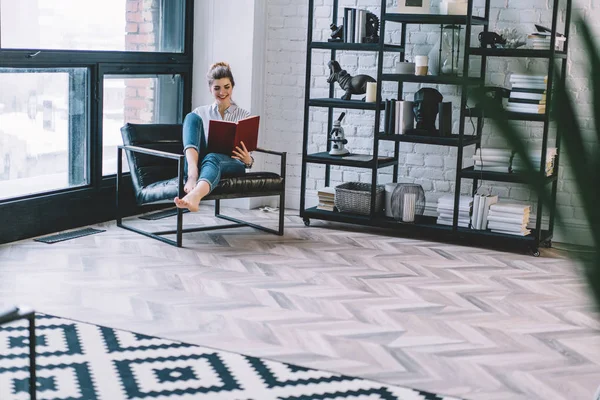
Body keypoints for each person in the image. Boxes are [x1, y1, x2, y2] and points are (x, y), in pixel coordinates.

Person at [174, 62, 254, 212]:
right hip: (200, 163)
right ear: (210, 89)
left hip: (232, 163)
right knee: (191, 117)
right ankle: (192, 174)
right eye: (217, 88)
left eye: (226, 87)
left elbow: (249, 157)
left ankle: (195, 196)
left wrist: (248, 160)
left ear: (232, 87)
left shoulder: (244, 116)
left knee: (213, 157)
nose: (222, 92)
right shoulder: (201, 112)